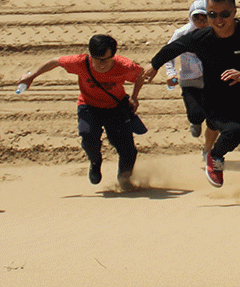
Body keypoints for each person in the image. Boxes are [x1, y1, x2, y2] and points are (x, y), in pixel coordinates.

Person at [144, 0, 240, 202]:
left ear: (234, 11)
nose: (218, 20)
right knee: (235, 131)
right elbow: (173, 48)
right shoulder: (201, 37)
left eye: (224, 14)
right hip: (218, 103)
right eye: (212, 14)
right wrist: (153, 65)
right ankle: (215, 156)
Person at [16, 34, 146, 190]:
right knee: (88, 137)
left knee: (128, 150)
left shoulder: (124, 66)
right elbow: (54, 62)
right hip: (88, 106)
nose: (101, 64)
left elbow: (141, 75)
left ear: (113, 55)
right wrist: (31, 76)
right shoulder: (80, 62)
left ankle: (124, 179)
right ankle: (95, 162)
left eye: (106, 60)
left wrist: (135, 97)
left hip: (115, 108)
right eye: (97, 60)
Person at [164, 0, 217, 153]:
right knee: (196, 114)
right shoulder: (182, 33)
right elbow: (168, 54)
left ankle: (208, 149)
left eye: (204, 18)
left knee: (215, 120)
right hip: (190, 81)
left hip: (212, 81)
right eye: (196, 18)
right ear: (190, 17)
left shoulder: (216, 32)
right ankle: (195, 121)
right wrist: (171, 73)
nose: (201, 22)